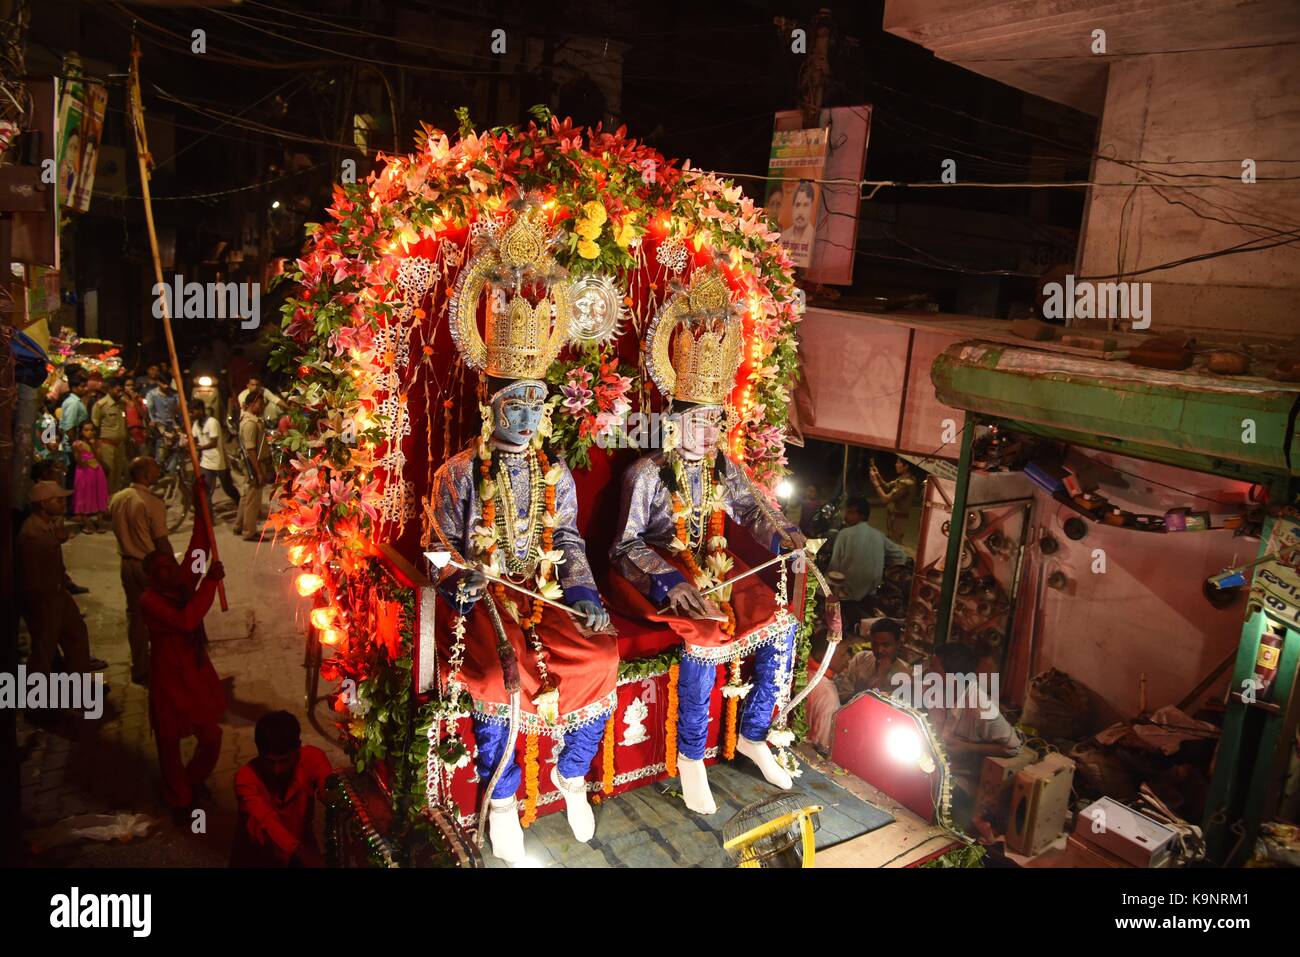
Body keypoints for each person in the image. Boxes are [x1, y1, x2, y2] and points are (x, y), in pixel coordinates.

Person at [429, 208, 617, 863]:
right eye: (515, 404)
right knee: (497, 678)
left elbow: (566, 541)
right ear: (489, 401)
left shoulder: (554, 471)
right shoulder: (455, 474)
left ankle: (571, 773)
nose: (528, 416)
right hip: (481, 603)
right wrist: (461, 574)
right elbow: (434, 550)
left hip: (543, 596)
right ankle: (503, 799)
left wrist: (585, 591)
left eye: (537, 404)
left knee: (602, 656)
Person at [608, 268, 808, 816]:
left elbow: (755, 510)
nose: (709, 432)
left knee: (782, 625)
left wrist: (787, 535)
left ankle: (754, 734)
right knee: (705, 632)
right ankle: (692, 755)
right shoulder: (647, 472)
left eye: (716, 420)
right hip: (663, 569)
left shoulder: (724, 466)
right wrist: (670, 580)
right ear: (674, 425)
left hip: (720, 563)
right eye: (698, 421)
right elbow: (623, 546)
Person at [141, 524, 226, 819]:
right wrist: (210, 584)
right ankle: (179, 798)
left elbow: (199, 551)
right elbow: (186, 620)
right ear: (151, 578)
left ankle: (192, 780)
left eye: (170, 564)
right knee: (169, 742)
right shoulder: (149, 601)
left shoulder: (180, 583)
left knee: (211, 736)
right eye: (162, 569)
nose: (171, 570)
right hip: (169, 679)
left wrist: (200, 507)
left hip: (194, 674)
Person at [17, 482, 99, 700]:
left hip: (58, 594)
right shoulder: (32, 534)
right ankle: (38, 704)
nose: (63, 503)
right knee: (44, 652)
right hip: (44, 599)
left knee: (77, 637)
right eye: (58, 499)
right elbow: (31, 578)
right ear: (44, 503)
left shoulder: (46, 525)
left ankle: (77, 690)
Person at [231, 711, 333, 867]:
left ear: (298, 748)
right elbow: (267, 823)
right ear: (259, 752)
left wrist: (331, 796)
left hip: (301, 850)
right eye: (270, 762)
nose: (277, 770)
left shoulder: (313, 758)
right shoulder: (245, 779)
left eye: (284, 761)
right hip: (259, 859)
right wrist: (301, 853)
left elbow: (329, 787)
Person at [109, 457, 172, 685]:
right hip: (148, 565)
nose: (158, 471)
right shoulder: (150, 502)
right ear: (146, 475)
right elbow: (162, 541)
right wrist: (174, 570)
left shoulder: (117, 498)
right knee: (161, 615)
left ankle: (140, 666)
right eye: (155, 469)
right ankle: (163, 664)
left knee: (135, 617)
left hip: (126, 564)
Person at [828, 496, 908, 632]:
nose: (845, 515)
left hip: (848, 591)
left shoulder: (844, 534)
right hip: (872, 590)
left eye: (850, 512)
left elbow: (835, 567)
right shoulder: (878, 535)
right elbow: (901, 556)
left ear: (860, 515)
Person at [834, 618, 912, 701]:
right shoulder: (861, 658)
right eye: (875, 644)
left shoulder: (905, 674)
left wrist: (881, 675)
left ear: (898, 644)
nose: (879, 650)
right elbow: (843, 694)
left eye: (885, 645)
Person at [191, 401, 239, 520]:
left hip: (219, 462)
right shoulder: (196, 424)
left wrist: (197, 448)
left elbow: (213, 443)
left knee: (228, 488)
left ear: (201, 410)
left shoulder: (212, 423)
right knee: (206, 491)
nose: (191, 414)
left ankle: (241, 504)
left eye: (193, 411)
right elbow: (195, 439)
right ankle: (209, 518)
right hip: (206, 463)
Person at [236, 392, 271, 540]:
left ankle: (239, 525)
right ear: (252, 403)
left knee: (246, 496)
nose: (262, 407)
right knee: (253, 499)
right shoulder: (250, 423)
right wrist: (258, 472)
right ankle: (249, 531)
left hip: (253, 463)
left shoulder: (251, 420)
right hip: (254, 464)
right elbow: (251, 450)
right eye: (260, 404)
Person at [91, 376, 129, 492]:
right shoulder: (101, 405)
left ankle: (114, 502)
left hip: (120, 445)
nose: (120, 393)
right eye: (117, 390)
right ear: (110, 389)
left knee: (118, 475)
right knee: (108, 474)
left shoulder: (121, 404)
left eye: (121, 390)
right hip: (107, 445)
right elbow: (95, 427)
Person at [71, 422, 110, 533]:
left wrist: (93, 446)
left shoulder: (97, 443)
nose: (90, 433)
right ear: (82, 432)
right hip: (84, 471)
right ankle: (86, 523)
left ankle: (100, 521)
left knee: (99, 495)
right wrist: (78, 452)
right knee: (83, 495)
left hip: (97, 470)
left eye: (92, 430)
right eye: (86, 430)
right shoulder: (77, 444)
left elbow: (99, 457)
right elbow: (78, 461)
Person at [870, 456, 918, 542]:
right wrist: (877, 474)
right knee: (891, 543)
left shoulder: (906, 483)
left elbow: (885, 499)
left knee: (895, 544)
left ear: (906, 466)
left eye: (898, 462)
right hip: (894, 518)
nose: (896, 464)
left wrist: (875, 482)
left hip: (898, 521)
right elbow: (887, 485)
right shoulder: (904, 478)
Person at [59, 379, 89, 489]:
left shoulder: (74, 401)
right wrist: (76, 446)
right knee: (73, 480)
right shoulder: (74, 403)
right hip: (73, 448)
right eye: (82, 386)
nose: (85, 389)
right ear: (74, 388)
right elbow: (69, 427)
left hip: (73, 446)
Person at [780, 180, 817, 265]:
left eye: (805, 205)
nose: (800, 212)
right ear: (792, 208)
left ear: (811, 208)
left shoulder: (815, 238)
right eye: (797, 205)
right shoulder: (783, 236)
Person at [124, 378, 151, 458]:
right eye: (128, 385)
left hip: (141, 432)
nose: (130, 388)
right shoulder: (121, 402)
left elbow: (143, 415)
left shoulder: (140, 400)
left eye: (132, 385)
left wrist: (135, 401)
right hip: (128, 434)